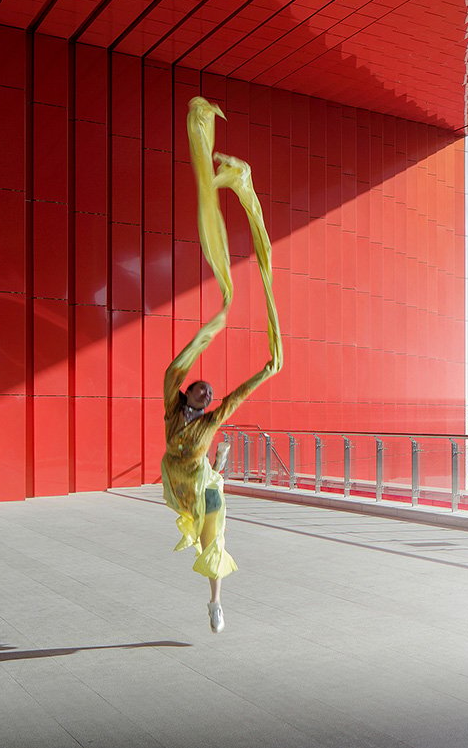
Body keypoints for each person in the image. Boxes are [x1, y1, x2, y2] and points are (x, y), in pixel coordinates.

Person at [159, 97, 283, 634]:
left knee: (216, 536)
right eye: (200, 393)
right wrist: (206, 330)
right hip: (176, 477)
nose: (206, 398)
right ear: (189, 395)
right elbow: (172, 372)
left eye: (208, 397)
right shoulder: (173, 407)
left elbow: (236, 398)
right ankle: (219, 471)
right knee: (193, 510)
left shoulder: (208, 418)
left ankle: (214, 600)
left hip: (199, 478)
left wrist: (266, 369)